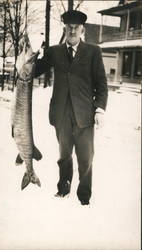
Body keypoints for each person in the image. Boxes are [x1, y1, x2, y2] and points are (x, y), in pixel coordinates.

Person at [35, 10, 108, 205]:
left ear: (82, 30)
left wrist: (100, 109)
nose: (72, 30)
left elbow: (101, 84)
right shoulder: (54, 51)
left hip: (85, 114)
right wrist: (29, 55)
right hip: (61, 114)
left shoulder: (93, 51)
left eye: (76, 27)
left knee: (85, 159)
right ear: (65, 29)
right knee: (64, 156)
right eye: (69, 27)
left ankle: (84, 197)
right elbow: (34, 70)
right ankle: (63, 188)